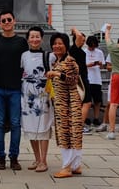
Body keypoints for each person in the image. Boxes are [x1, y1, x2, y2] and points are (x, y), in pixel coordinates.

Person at [0, 9, 28, 170]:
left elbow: (27, 63)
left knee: (15, 124)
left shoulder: (21, 42)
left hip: (15, 89)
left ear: (14, 21)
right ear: (0, 23)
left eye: (9, 20)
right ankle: (0, 157)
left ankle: (14, 157)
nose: (6, 22)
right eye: (3, 20)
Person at [45, 32, 83, 178]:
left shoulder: (70, 61)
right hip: (62, 103)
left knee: (67, 133)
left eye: (60, 43)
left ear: (66, 45)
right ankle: (76, 165)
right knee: (73, 133)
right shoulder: (58, 62)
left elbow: (73, 79)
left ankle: (67, 167)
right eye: (54, 44)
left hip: (69, 104)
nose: (57, 46)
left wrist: (56, 74)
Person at [20, 26, 53, 173]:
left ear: (41, 38)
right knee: (31, 128)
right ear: (28, 39)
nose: (34, 39)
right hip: (28, 97)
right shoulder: (24, 56)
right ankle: (37, 158)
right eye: (32, 36)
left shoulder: (49, 56)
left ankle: (44, 161)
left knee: (43, 127)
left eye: (37, 36)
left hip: (43, 96)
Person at [68, 26, 91, 133]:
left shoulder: (77, 50)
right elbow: (79, 36)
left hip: (82, 77)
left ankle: (76, 125)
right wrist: (74, 29)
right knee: (86, 102)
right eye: (83, 40)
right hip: (80, 79)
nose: (84, 41)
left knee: (81, 103)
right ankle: (79, 126)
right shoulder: (74, 49)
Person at [85, 35, 105, 127]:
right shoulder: (84, 52)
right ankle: (86, 117)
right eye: (91, 46)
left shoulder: (99, 52)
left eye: (94, 46)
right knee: (87, 101)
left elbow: (102, 66)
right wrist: (91, 64)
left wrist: (99, 64)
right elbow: (82, 65)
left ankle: (96, 118)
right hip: (88, 78)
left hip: (97, 79)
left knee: (97, 101)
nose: (92, 48)